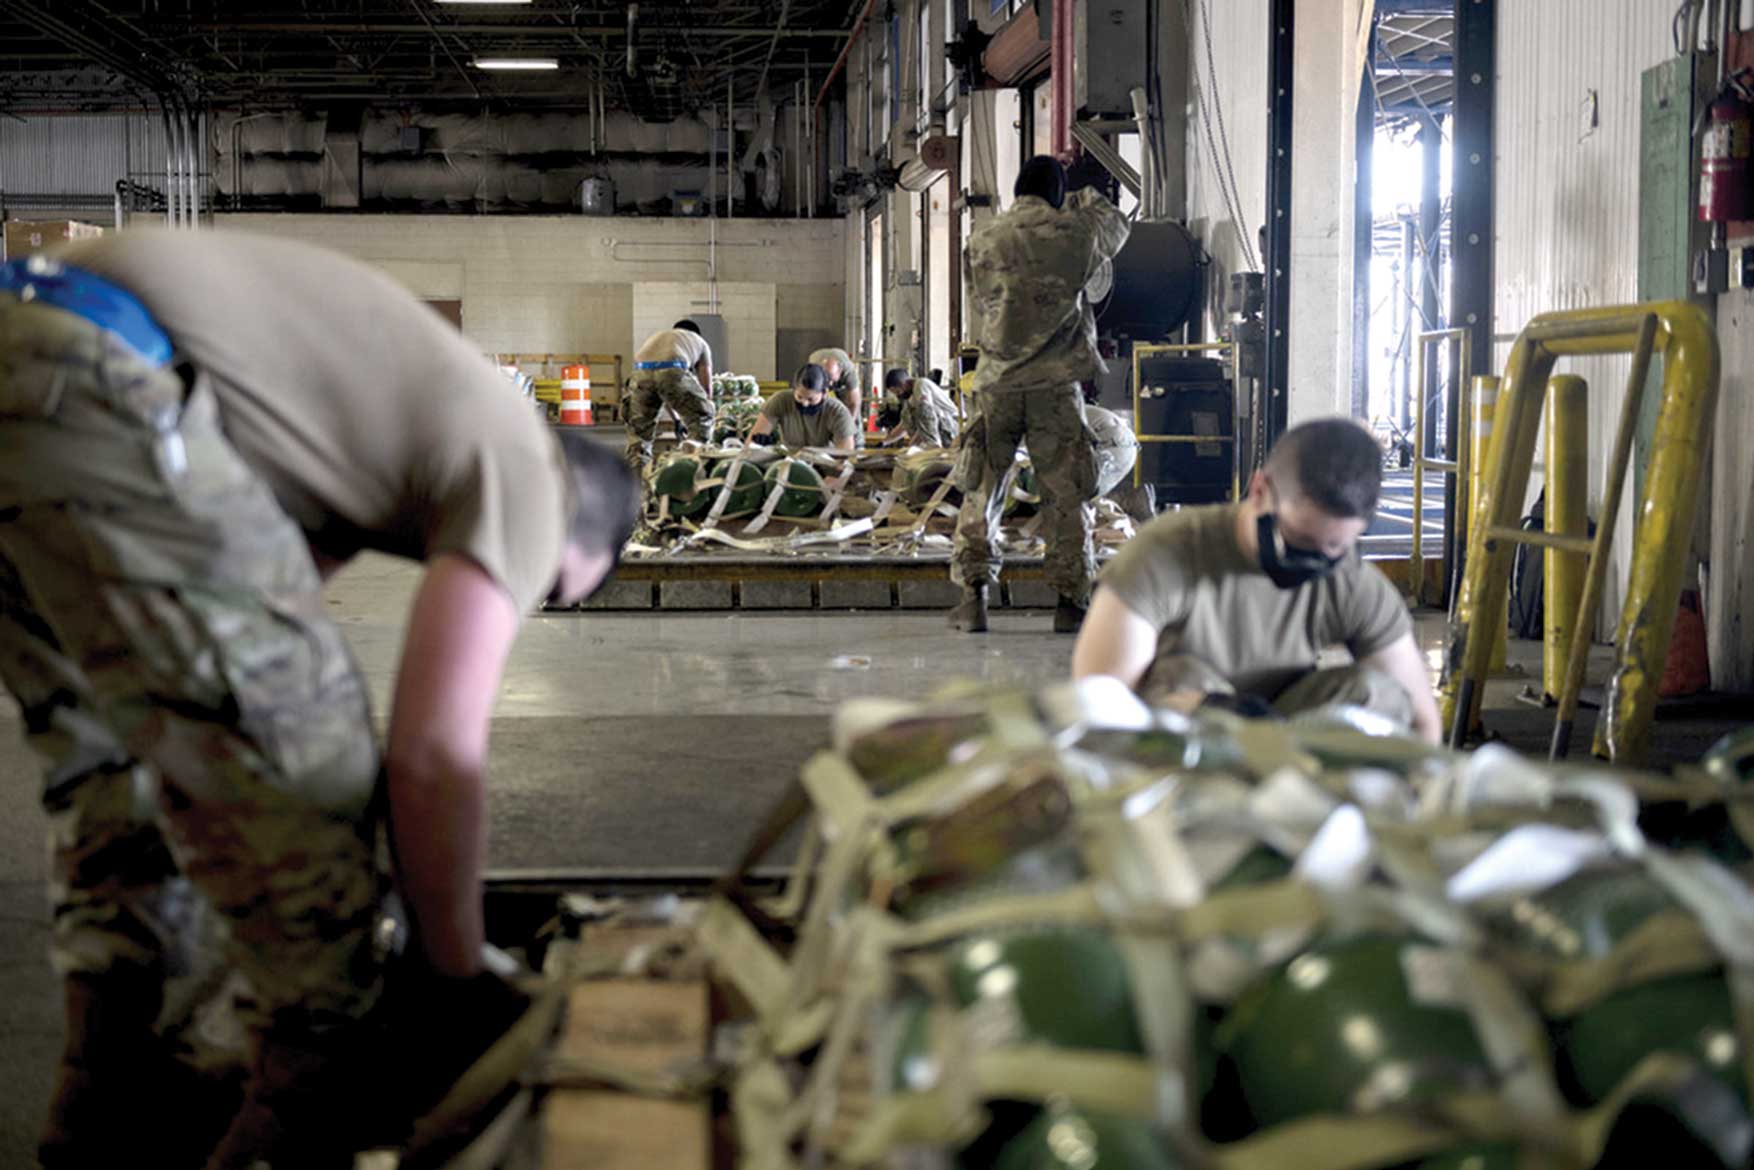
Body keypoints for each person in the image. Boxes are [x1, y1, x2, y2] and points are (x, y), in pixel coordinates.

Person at [0, 234, 639, 1169]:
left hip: (37, 357)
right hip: (101, 376)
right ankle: (311, 1094)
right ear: (576, 529)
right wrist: (451, 973)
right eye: (549, 587)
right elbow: (431, 753)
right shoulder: (529, 467)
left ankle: (109, 1092)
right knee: (315, 765)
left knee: (120, 770)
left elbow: (247, 633)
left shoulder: (367, 435)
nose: (519, 591)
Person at [1071, 417, 1441, 742]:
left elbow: (1421, 723)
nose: (1312, 559)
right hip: (1184, 759)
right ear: (1260, 490)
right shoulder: (1165, 553)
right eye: (1300, 540)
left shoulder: (1348, 578)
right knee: (1181, 675)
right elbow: (1098, 708)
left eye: (1332, 547)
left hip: (1293, 750)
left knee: (1373, 692)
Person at [951, 155, 1130, 634]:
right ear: (1057, 192)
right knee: (1066, 495)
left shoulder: (983, 237)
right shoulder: (1075, 234)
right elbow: (1117, 225)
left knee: (982, 490)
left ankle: (974, 600)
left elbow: (978, 299)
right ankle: (1070, 605)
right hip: (1055, 387)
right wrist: (1080, 196)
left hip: (997, 384)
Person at [626, 319, 715, 466]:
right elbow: (706, 389)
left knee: (639, 433)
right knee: (704, 417)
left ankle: (637, 476)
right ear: (696, 333)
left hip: (640, 372)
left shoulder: (662, 336)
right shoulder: (700, 342)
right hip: (673, 368)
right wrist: (705, 409)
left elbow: (665, 395)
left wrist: (677, 420)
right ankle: (692, 466)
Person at [749, 362, 858, 451]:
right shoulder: (779, 401)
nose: (804, 404)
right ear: (794, 389)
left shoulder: (837, 412)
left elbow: (844, 459)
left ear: (824, 393)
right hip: (788, 462)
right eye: (800, 397)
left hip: (825, 465)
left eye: (811, 399)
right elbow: (753, 444)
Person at [879, 368, 961, 449]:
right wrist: (884, 442)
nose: (898, 396)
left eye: (897, 392)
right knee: (906, 414)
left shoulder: (921, 385)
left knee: (923, 409)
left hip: (951, 428)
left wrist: (929, 445)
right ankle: (932, 446)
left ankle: (934, 447)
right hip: (938, 429)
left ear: (903, 384)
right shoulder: (912, 398)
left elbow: (927, 417)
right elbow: (904, 425)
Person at [807, 345, 863, 433]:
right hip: (818, 374)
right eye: (827, 380)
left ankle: (858, 442)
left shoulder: (848, 371)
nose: (830, 384)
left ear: (840, 371)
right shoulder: (813, 371)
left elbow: (854, 402)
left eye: (832, 380)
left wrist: (849, 426)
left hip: (841, 387)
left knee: (853, 414)